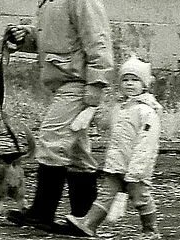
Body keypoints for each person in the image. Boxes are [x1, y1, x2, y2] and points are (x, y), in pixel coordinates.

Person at [1, 0, 115, 231]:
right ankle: (82, 219)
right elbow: (54, 39)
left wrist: (97, 84)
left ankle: (42, 213)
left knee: (51, 141)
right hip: (65, 79)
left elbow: (98, 39)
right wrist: (27, 36)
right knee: (77, 153)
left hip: (76, 82)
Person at [63, 56, 162, 237]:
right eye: (125, 79)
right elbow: (107, 126)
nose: (129, 84)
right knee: (106, 195)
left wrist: (137, 169)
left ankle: (150, 229)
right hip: (116, 163)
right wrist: (92, 112)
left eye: (135, 80)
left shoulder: (147, 111)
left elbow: (146, 143)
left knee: (140, 198)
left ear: (145, 84)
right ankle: (89, 224)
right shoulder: (120, 107)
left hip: (136, 166)